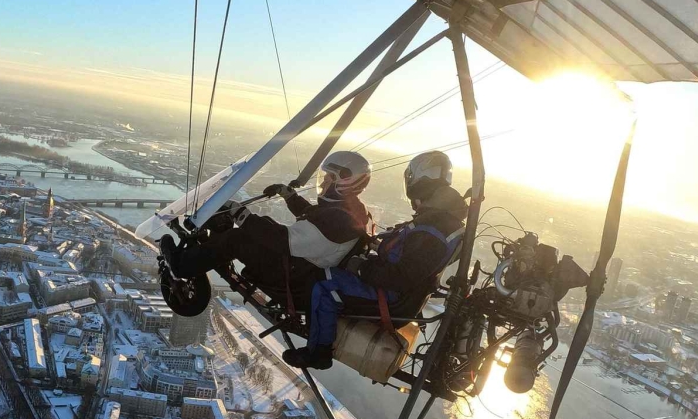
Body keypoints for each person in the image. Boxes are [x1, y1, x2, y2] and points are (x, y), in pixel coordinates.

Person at [283, 149, 468, 370]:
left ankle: (318, 353)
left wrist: (361, 267)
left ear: (418, 180)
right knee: (335, 270)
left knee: (324, 282)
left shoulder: (433, 227)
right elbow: (412, 260)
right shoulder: (442, 219)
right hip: (400, 292)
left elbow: (401, 276)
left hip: (393, 299)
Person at [159, 150, 371, 294]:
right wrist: (289, 196)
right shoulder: (349, 211)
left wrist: (240, 213)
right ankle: (209, 253)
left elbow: (281, 240)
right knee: (257, 226)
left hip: (292, 276)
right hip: (301, 269)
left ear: (346, 183)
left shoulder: (340, 220)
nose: (323, 182)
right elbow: (314, 217)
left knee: (238, 238)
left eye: (330, 178)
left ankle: (181, 267)